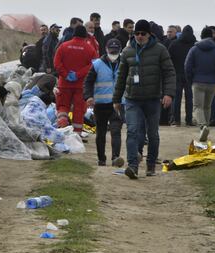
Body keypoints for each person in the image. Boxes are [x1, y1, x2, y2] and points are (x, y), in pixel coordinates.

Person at [113, 19, 176, 179]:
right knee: (132, 131)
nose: (140, 36)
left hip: (153, 99)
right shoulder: (127, 51)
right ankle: (133, 166)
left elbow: (169, 72)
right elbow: (121, 77)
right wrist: (116, 99)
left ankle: (150, 165)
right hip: (132, 99)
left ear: (149, 34)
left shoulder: (160, 50)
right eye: (137, 33)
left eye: (143, 33)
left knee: (152, 134)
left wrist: (168, 94)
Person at [84, 39, 124, 167]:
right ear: (106, 50)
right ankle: (101, 159)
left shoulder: (124, 63)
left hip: (117, 104)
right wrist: (88, 97)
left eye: (116, 51)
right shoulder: (97, 64)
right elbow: (88, 82)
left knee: (116, 131)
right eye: (111, 51)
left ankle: (115, 158)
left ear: (120, 50)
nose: (114, 53)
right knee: (100, 133)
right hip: (100, 104)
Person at [185, 27, 215, 142]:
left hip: (197, 81)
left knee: (197, 106)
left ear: (201, 36)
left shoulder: (194, 49)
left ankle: (202, 126)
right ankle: (206, 126)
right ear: (212, 36)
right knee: (207, 106)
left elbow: (187, 66)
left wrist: (190, 80)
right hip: (212, 82)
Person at [54, 25, 98, 134]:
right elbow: (94, 65)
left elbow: (56, 63)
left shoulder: (63, 46)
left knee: (63, 107)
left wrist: (66, 74)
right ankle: (77, 135)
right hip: (81, 85)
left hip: (64, 84)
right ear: (85, 36)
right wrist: (78, 74)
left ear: (73, 34)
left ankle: (62, 127)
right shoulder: (90, 49)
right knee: (79, 109)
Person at [168, 25, 196, 126]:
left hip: (177, 73)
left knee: (177, 98)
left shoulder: (174, 44)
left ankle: (176, 120)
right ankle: (189, 120)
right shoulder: (194, 44)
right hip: (189, 75)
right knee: (189, 98)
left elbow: (169, 58)